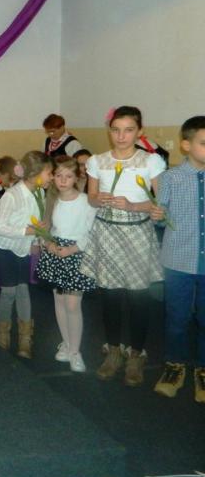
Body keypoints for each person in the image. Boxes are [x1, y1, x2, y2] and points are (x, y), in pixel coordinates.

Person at [80, 106, 165, 387]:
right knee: (111, 295)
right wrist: (99, 199)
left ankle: (136, 353)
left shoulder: (150, 161)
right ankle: (114, 350)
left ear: (139, 132)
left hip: (138, 232)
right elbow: (91, 197)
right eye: (116, 130)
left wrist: (133, 205)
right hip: (107, 232)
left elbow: (161, 201)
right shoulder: (97, 161)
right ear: (110, 131)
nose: (121, 136)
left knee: (138, 296)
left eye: (128, 130)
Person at [150, 116, 205, 402]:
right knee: (177, 317)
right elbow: (160, 219)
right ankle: (174, 366)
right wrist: (158, 216)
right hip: (178, 262)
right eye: (204, 143)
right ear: (186, 145)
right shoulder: (171, 178)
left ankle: (203, 370)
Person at [35, 156, 97, 372]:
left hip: (76, 254)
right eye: (59, 175)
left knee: (72, 305)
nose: (63, 180)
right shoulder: (51, 200)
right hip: (56, 253)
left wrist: (73, 249)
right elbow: (44, 228)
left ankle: (75, 351)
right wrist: (48, 243)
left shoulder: (86, 201)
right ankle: (67, 342)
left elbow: (92, 231)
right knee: (60, 301)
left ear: (77, 178)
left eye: (68, 176)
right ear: (52, 177)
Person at [0, 151, 53, 358]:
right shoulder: (12, 195)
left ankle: (25, 337)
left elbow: (35, 220)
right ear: (35, 173)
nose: (52, 177)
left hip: (22, 246)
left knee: (23, 289)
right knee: (9, 291)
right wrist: (26, 232)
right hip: (3, 246)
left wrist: (36, 238)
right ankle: (3, 333)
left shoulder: (39, 193)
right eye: (49, 173)